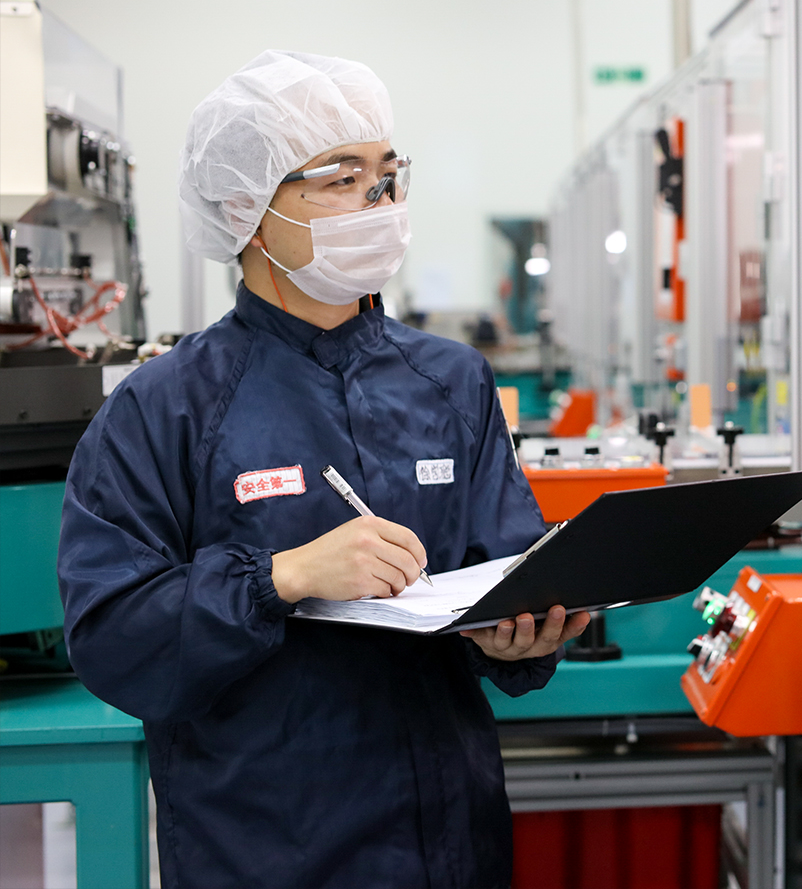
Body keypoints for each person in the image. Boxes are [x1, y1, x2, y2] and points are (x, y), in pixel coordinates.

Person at [57, 50, 589, 889]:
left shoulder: (450, 381)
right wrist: (283, 577)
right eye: (341, 180)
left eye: (386, 176)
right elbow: (114, 636)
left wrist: (527, 635)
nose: (376, 203)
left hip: (451, 841)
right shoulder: (166, 409)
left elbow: (507, 570)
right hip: (266, 848)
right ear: (249, 211)